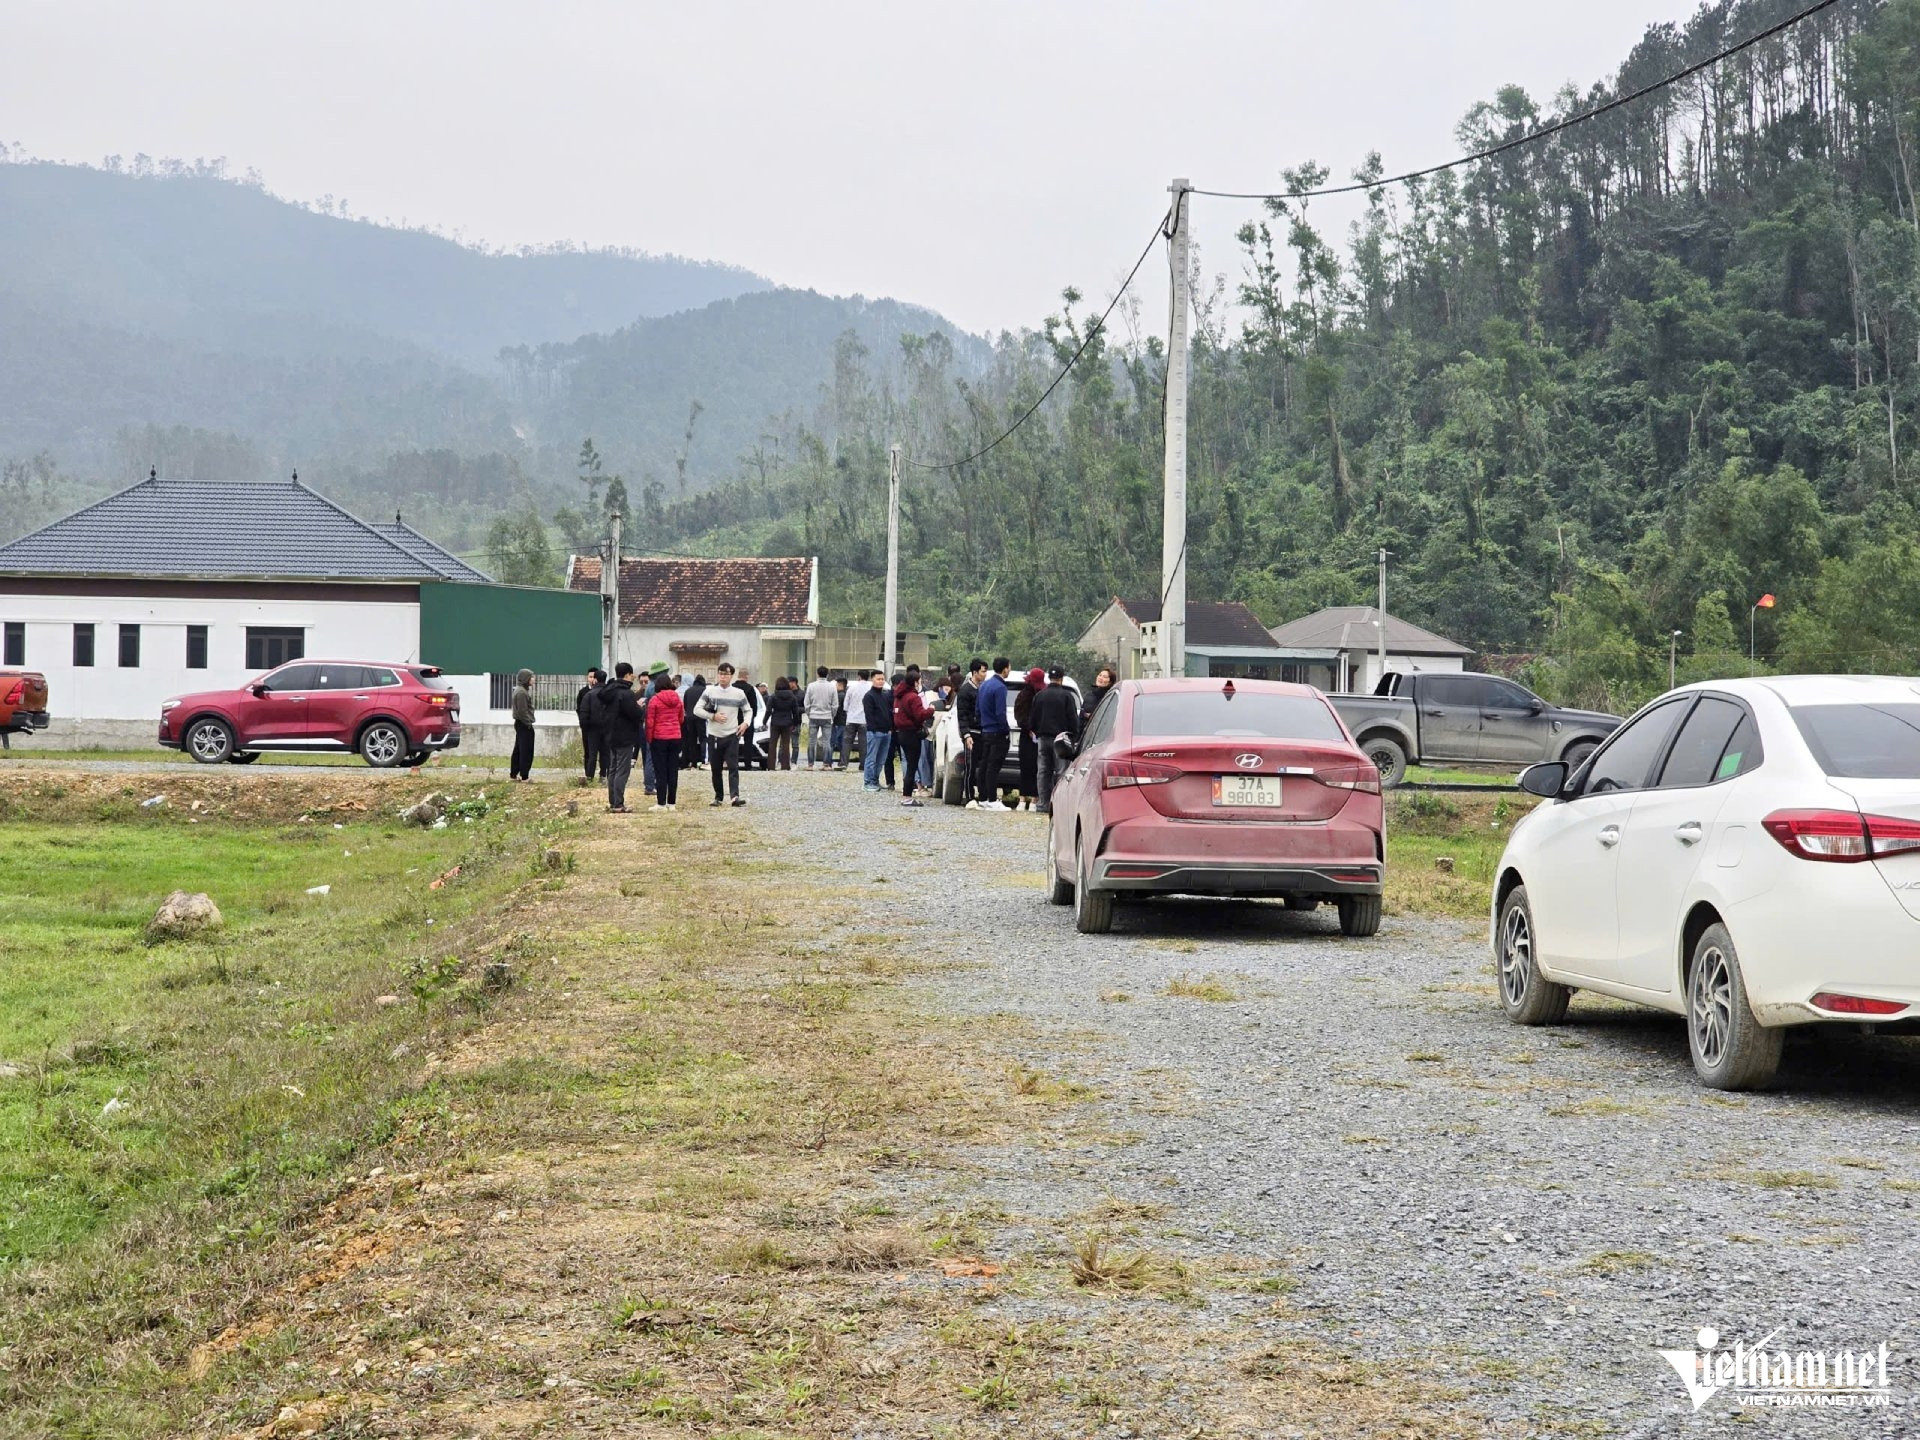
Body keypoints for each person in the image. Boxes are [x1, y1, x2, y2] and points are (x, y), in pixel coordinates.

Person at [695, 662, 753, 806]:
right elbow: (697, 709)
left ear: (731, 676)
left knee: (733, 767)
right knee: (716, 768)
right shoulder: (710, 691)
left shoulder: (739, 693)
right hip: (714, 735)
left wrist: (745, 723)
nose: (722, 677)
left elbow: (748, 710)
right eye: (720, 674)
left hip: (732, 735)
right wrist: (712, 716)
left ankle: (735, 797)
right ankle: (718, 797)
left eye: (726, 674)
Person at [1030, 665, 1081, 814]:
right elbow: (1073, 720)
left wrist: (1038, 732)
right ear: (1061, 679)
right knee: (1061, 772)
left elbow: (1032, 720)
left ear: (1049, 678)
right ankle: (1059, 805)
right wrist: (1074, 736)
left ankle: (1043, 804)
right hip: (1061, 740)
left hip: (1043, 738)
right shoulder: (1067, 696)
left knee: (1043, 772)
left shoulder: (1040, 695)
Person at [604, 662, 644, 812]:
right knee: (622, 770)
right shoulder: (626, 693)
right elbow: (635, 714)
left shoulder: (609, 691)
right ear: (627, 674)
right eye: (632, 674)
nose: (633, 677)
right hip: (624, 736)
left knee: (613, 769)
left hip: (611, 735)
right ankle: (619, 803)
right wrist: (639, 707)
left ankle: (613, 801)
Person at [645, 668, 685, 810]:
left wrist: (649, 739)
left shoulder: (654, 700)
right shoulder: (677, 698)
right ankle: (672, 803)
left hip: (659, 738)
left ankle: (661, 803)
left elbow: (650, 722)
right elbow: (681, 718)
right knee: (673, 771)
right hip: (675, 737)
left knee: (660, 771)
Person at [975, 658, 1011, 810]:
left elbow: (977, 709)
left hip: (985, 730)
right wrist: (1006, 730)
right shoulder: (1000, 687)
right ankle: (992, 799)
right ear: (1005, 669)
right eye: (1009, 667)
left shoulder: (984, 685)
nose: (1009, 670)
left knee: (984, 765)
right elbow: (1000, 712)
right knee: (993, 767)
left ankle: (983, 797)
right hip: (997, 731)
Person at [892, 671, 931, 806]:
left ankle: (906, 795)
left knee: (909, 764)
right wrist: (931, 709)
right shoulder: (913, 697)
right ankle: (907, 797)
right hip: (912, 734)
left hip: (901, 733)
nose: (920, 683)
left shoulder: (899, 696)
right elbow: (920, 715)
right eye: (919, 681)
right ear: (915, 682)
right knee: (912, 766)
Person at [1013, 667, 1045, 810]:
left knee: (1033, 768)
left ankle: (1032, 799)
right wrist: (1030, 729)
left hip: (1035, 735)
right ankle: (1025, 798)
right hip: (1029, 736)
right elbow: (1020, 716)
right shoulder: (1025, 695)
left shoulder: (1039, 694)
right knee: (1029, 767)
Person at [957, 658, 986, 809]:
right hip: (971, 734)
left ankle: (984, 796)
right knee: (970, 766)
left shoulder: (983, 688)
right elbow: (961, 715)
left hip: (984, 733)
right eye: (983, 671)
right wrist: (966, 734)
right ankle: (969, 796)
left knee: (983, 766)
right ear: (975, 672)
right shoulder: (965, 690)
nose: (985, 674)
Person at [860, 669, 894, 792]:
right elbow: (869, 715)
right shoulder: (869, 696)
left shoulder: (885, 695)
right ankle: (868, 782)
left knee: (881, 760)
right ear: (872, 680)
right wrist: (873, 729)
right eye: (878, 679)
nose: (881, 681)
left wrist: (890, 728)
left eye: (882, 679)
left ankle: (875, 780)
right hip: (874, 732)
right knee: (871, 758)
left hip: (886, 732)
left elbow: (889, 712)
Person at [575, 668, 608, 782]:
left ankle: (589, 777)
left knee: (591, 754)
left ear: (596, 680)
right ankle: (603, 775)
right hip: (607, 728)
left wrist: (585, 728)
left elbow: (583, 713)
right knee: (605, 753)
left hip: (592, 729)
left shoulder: (589, 695)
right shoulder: (610, 694)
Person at [802, 665, 838, 770]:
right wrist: (832, 715)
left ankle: (810, 764)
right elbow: (835, 704)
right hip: (827, 716)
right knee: (827, 741)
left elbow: (806, 703)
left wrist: (809, 713)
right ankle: (826, 764)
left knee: (811, 741)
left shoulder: (811, 686)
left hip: (814, 715)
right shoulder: (832, 687)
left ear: (817, 674)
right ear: (827, 674)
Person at [769, 675, 803, 770]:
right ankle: (785, 765)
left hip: (775, 722)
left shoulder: (773, 696)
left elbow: (768, 710)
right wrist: (795, 723)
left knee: (772, 744)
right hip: (787, 722)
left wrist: (764, 721)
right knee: (786, 744)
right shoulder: (792, 697)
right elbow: (795, 712)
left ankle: (771, 765)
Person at [508, 668, 537, 781]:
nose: (533, 679)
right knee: (526, 750)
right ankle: (524, 775)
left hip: (521, 723)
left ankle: (514, 774)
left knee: (519, 749)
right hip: (524, 724)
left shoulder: (521, 691)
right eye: (531, 677)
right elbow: (522, 711)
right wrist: (528, 723)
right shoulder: (521, 693)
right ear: (525, 679)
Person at [843, 669, 869, 774]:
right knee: (864, 743)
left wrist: (848, 712)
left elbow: (845, 705)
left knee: (847, 742)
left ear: (858, 676)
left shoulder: (852, 688)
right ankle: (863, 765)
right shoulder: (870, 688)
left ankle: (844, 763)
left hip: (851, 719)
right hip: (864, 719)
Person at [680, 673, 708, 770]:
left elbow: (685, 705)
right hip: (701, 717)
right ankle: (703, 760)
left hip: (689, 718)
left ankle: (694, 762)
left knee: (692, 740)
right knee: (703, 739)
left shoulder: (688, 690)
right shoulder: (705, 690)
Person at [830, 674, 850, 770]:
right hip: (844, 721)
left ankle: (828, 761)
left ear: (840, 685)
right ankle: (842, 761)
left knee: (832, 742)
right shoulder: (846, 694)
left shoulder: (839, 695)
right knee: (842, 743)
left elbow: (835, 709)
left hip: (837, 721)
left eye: (837, 684)